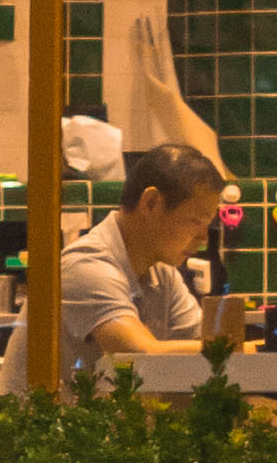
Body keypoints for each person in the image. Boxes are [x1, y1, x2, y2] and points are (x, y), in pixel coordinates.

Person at [54, 144, 241, 380]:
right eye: (196, 221)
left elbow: (204, 342)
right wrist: (260, 349)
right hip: (44, 416)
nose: (204, 238)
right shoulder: (85, 263)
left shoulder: (162, 273)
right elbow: (140, 354)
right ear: (151, 203)